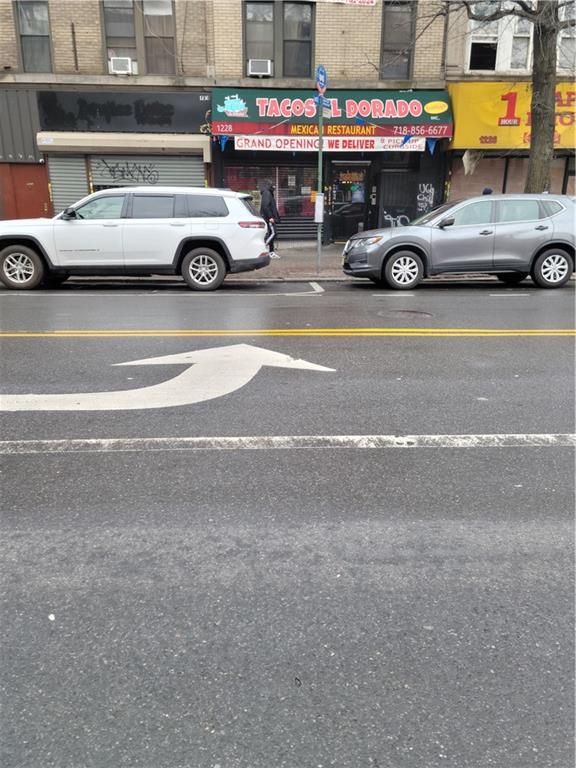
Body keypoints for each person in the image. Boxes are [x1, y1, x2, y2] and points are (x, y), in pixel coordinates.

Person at [260, 181, 281, 258]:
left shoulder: (268, 193)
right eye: (274, 186)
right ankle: (263, 248)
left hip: (269, 218)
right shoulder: (267, 193)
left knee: (271, 233)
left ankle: (271, 252)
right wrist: (270, 217)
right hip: (269, 218)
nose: (275, 188)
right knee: (273, 233)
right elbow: (265, 206)